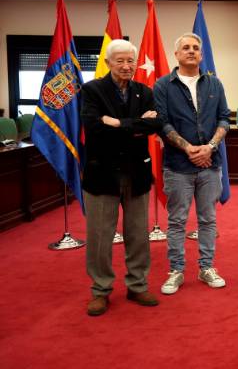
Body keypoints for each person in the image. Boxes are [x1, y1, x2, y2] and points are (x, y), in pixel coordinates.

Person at [80, 39, 162, 316]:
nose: (127, 66)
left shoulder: (144, 91)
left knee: (138, 235)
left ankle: (137, 285)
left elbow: (154, 124)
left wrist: (116, 123)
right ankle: (100, 290)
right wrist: (136, 125)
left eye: (130, 61)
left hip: (136, 172)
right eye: (120, 61)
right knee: (100, 237)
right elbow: (94, 127)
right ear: (108, 63)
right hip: (102, 174)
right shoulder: (92, 90)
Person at [154, 32, 230, 295]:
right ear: (176, 54)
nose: (191, 51)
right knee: (177, 221)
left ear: (201, 54)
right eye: (185, 47)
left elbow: (224, 118)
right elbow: (162, 123)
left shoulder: (214, 84)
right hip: (177, 166)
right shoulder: (163, 85)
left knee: (208, 219)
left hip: (210, 163)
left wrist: (209, 147)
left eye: (196, 48)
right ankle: (175, 271)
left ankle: (206, 267)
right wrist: (188, 148)